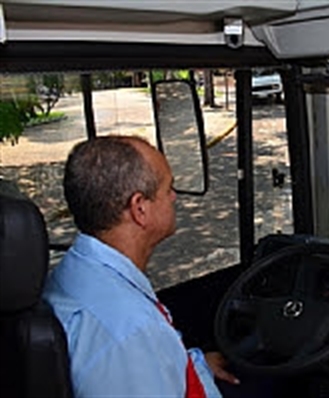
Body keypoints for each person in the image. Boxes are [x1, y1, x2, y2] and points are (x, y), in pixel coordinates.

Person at [43, 136, 238, 397]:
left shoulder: (78, 271)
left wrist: (191, 364)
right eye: (168, 188)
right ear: (140, 208)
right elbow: (128, 351)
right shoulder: (129, 333)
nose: (174, 198)